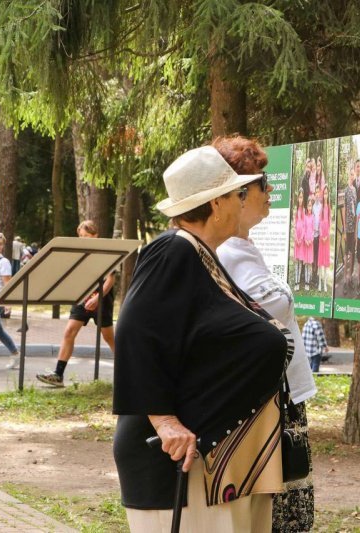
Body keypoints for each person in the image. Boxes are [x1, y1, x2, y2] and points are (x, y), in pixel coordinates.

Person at [112, 145, 291, 531]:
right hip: (179, 469)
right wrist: (164, 422)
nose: (243, 200)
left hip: (215, 471)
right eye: (236, 193)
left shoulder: (203, 257)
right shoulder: (173, 250)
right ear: (215, 205)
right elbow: (135, 331)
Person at [213, 135, 318, 532]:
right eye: (262, 182)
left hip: (282, 398)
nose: (269, 189)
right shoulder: (223, 254)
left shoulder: (244, 248)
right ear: (238, 194)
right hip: (265, 403)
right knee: (276, 517)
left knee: (290, 512)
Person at [37, 221, 116, 387]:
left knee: (108, 337)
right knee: (69, 332)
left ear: (95, 235)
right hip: (82, 299)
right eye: (80, 236)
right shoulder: (78, 252)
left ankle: (127, 371)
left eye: (86, 236)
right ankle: (58, 375)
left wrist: (97, 298)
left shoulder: (105, 252)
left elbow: (110, 279)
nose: (83, 239)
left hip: (102, 300)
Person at [0, 233, 19, 369]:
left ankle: (16, 355)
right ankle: (15, 354)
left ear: (3, 247)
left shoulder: (4, 262)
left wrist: (8, 304)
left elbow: (7, 285)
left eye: (0, 244)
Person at [342, 162, 358, 294]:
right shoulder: (346, 190)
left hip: (354, 228)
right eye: (351, 174)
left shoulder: (355, 190)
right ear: (349, 175)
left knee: (352, 253)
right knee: (346, 254)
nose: (352, 176)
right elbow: (344, 209)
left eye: (354, 175)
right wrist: (344, 228)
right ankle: (345, 280)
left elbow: (356, 210)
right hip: (347, 228)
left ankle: (350, 278)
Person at [318, 186, 332, 293]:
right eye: (325, 193)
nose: (326, 195)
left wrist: (326, 236)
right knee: (320, 261)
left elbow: (329, 223)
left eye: (327, 193)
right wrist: (322, 235)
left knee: (326, 262)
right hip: (321, 237)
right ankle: (319, 282)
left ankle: (325, 283)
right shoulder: (321, 207)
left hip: (326, 238)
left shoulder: (329, 207)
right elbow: (320, 223)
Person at [293, 190, 306, 291]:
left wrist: (301, 238)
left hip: (301, 241)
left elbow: (304, 226)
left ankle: (300, 281)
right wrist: (296, 238)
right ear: (298, 199)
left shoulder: (304, 211)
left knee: (301, 261)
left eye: (302, 197)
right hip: (296, 240)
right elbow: (294, 226)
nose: (301, 199)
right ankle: (296, 281)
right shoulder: (296, 210)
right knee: (296, 261)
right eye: (300, 197)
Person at [311, 186, 322, 289]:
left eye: (319, 192)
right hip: (312, 235)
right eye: (316, 193)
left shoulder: (321, 206)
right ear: (314, 195)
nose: (317, 194)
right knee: (313, 256)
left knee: (317, 256)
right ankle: (313, 275)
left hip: (319, 235)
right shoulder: (312, 207)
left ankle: (317, 275)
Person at [303, 198, 315, 290]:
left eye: (311, 205)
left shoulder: (313, 217)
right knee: (306, 262)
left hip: (310, 242)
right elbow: (304, 228)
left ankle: (309, 280)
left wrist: (310, 240)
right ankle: (306, 281)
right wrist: (305, 240)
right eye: (308, 205)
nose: (309, 207)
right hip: (305, 241)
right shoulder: (305, 216)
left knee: (310, 262)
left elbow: (313, 230)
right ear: (307, 206)